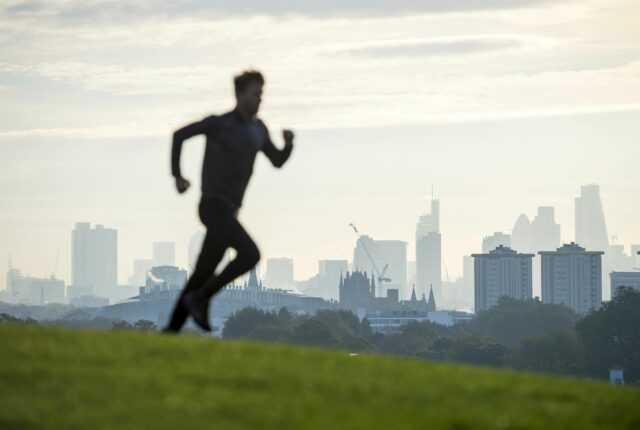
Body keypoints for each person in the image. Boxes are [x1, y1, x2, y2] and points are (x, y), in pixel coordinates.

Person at [163, 70, 294, 333]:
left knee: (202, 273)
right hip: (212, 206)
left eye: (261, 94)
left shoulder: (259, 130)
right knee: (250, 254)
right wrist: (177, 176)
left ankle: (171, 331)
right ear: (239, 94)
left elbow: (277, 161)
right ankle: (202, 298)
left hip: (229, 212)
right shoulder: (220, 124)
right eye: (255, 93)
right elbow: (179, 135)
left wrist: (288, 145)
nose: (260, 99)